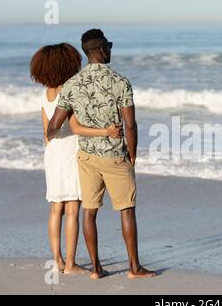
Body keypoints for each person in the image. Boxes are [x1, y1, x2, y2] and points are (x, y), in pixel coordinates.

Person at [47, 29, 155, 280]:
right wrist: (133, 155)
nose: (111, 50)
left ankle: (96, 269)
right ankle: (134, 268)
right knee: (126, 210)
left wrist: (71, 124)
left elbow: (53, 127)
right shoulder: (120, 81)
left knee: (90, 211)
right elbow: (130, 125)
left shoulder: (72, 85)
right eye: (109, 46)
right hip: (115, 156)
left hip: (86, 157)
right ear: (102, 49)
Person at [30, 43, 123, 275]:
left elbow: (47, 134)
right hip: (70, 151)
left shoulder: (46, 94)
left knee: (55, 210)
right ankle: (71, 264)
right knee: (73, 209)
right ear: (67, 65)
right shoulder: (69, 91)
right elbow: (76, 127)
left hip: (52, 153)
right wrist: (106, 132)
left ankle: (58, 260)